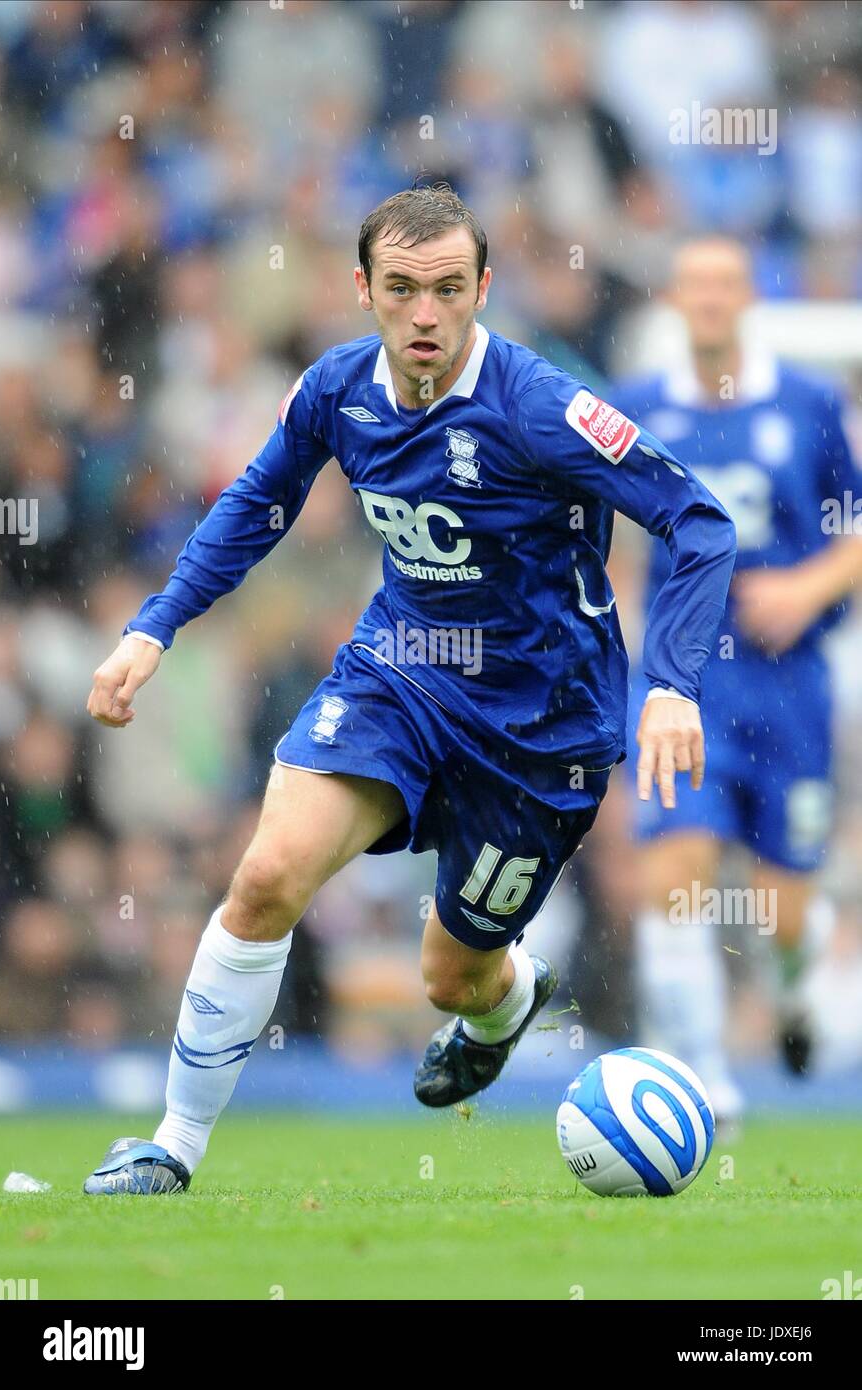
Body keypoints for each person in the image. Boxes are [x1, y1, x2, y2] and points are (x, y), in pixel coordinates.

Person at [83, 186, 735, 1195]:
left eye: (444, 289)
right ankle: (171, 1147)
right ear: (363, 289)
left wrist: (672, 686)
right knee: (264, 877)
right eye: (399, 289)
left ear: (482, 287)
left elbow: (697, 521)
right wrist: (152, 626)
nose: (423, 314)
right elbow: (257, 503)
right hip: (401, 674)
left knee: (452, 975)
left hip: (540, 729)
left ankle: (501, 1003)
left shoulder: (542, 405)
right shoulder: (335, 391)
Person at [613, 237, 862, 1126]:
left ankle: (795, 987)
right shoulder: (636, 410)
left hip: (789, 689)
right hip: (684, 690)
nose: (710, 300)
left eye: (726, 284)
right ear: (674, 300)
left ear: (748, 296)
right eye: (694, 285)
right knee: (674, 871)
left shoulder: (806, 404)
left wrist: (806, 585)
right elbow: (600, 533)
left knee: (784, 911)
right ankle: (703, 1082)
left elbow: (856, 529)